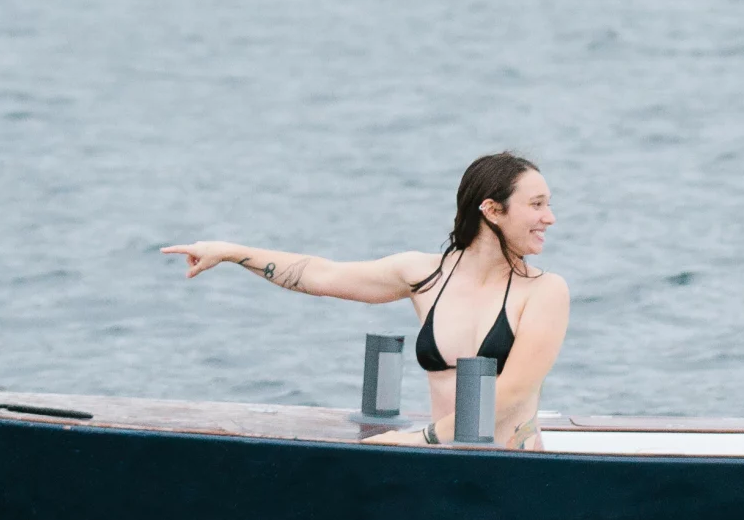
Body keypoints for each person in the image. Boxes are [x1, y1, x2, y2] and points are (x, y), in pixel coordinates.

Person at [162, 152, 568, 450]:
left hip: (513, 469)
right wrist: (231, 251)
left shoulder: (545, 292)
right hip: (444, 464)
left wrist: (418, 439)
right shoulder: (424, 275)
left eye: (548, 204)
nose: (549, 217)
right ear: (492, 210)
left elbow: (511, 393)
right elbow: (320, 275)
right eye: (536, 205)